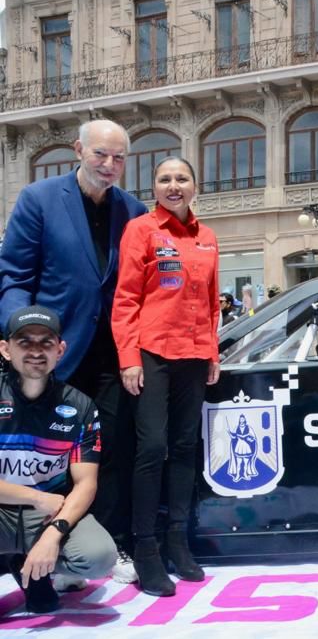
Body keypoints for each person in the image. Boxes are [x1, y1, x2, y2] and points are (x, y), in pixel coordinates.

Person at [0, 119, 146, 583]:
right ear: (79, 150)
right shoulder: (39, 198)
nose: (109, 164)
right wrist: (22, 335)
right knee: (49, 452)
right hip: (54, 352)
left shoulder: (134, 211)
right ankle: (44, 551)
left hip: (114, 356)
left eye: (119, 157)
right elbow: (15, 276)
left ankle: (107, 545)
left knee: (111, 451)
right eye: (101, 154)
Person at [111, 156, 220, 597]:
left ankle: (178, 540)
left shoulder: (207, 237)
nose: (173, 185)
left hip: (194, 354)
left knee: (185, 446)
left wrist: (211, 352)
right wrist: (129, 358)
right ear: (153, 187)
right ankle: (146, 548)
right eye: (164, 179)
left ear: (195, 185)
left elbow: (211, 302)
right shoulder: (141, 230)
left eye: (182, 178)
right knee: (152, 447)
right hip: (152, 352)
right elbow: (125, 299)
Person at [0, 306, 116, 612]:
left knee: (99, 557)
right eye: (25, 342)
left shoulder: (80, 406)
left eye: (46, 342)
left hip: (47, 516)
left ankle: (31, 563)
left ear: (60, 350)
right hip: (12, 509)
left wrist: (52, 536)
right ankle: (15, 559)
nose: (36, 351)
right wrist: (36, 497)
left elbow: (86, 483)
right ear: (6, 349)